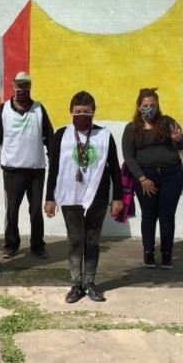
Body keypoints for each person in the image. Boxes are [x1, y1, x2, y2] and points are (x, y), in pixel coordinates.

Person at [44, 91, 123, 303]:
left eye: (86, 112)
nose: (82, 115)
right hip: (70, 197)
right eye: (78, 111)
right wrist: (50, 198)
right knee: (75, 240)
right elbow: (54, 168)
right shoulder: (61, 135)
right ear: (71, 111)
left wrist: (118, 197)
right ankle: (76, 284)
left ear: (93, 112)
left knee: (92, 240)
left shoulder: (104, 136)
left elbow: (115, 168)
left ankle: (90, 282)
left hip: (98, 196)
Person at [0, 71, 54, 259]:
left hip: (36, 170)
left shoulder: (39, 109)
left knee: (35, 211)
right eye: (19, 85)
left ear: (30, 87)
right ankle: (11, 244)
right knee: (12, 210)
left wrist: (53, 158)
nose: (22, 89)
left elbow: (49, 136)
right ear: (13, 86)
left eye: (25, 85)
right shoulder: (3, 110)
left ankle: (37, 245)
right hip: (12, 169)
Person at [122, 88, 183, 269]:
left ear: (158, 106)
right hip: (145, 177)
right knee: (149, 215)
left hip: (171, 175)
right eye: (145, 106)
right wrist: (142, 179)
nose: (149, 109)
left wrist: (177, 139)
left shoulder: (168, 122)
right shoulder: (131, 128)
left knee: (167, 215)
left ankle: (167, 254)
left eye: (152, 105)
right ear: (139, 107)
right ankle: (148, 252)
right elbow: (129, 157)